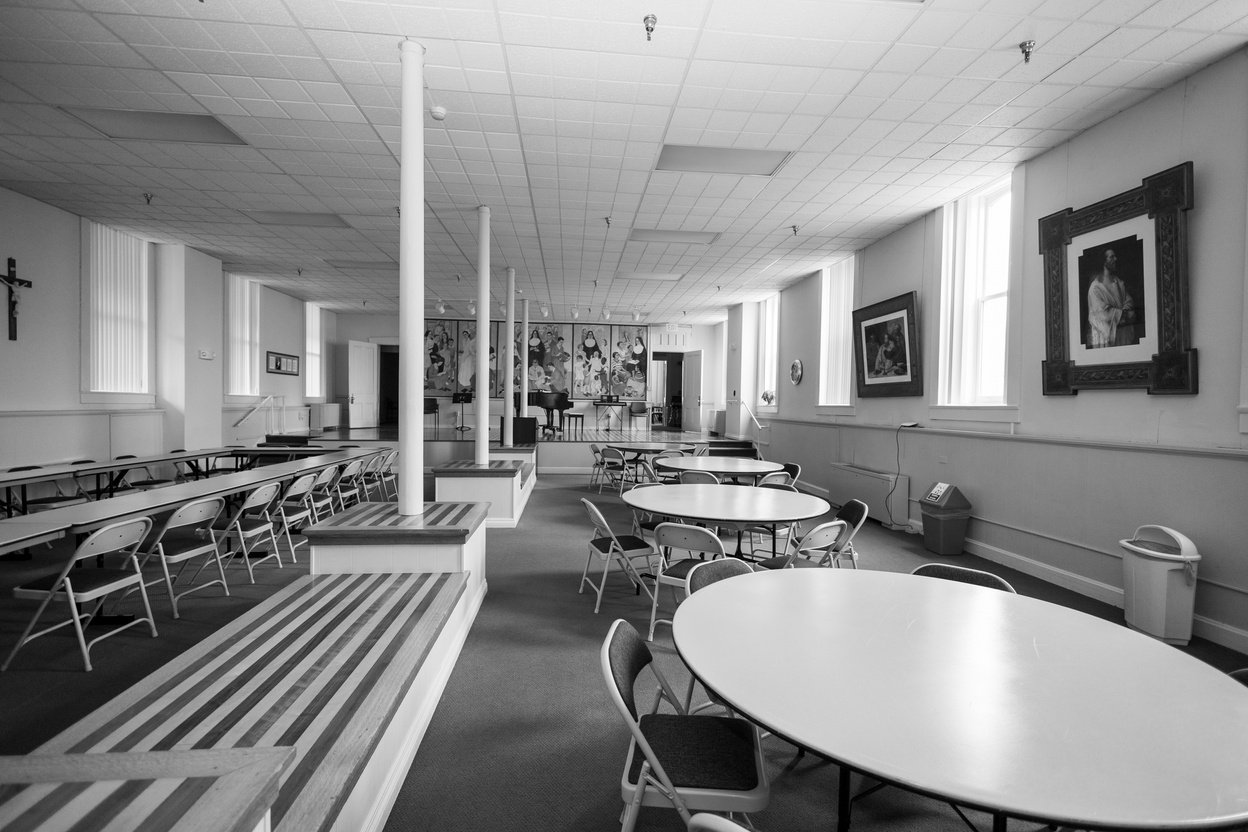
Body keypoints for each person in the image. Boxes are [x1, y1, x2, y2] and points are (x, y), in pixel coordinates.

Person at [1087, 248, 1136, 348]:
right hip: (1105, 339)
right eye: (1111, 257)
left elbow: (1129, 301)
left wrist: (1126, 311)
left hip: (1123, 335)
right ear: (1104, 261)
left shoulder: (1118, 282)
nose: (1116, 259)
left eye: (1115, 256)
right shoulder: (1095, 288)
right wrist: (1125, 315)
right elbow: (1102, 313)